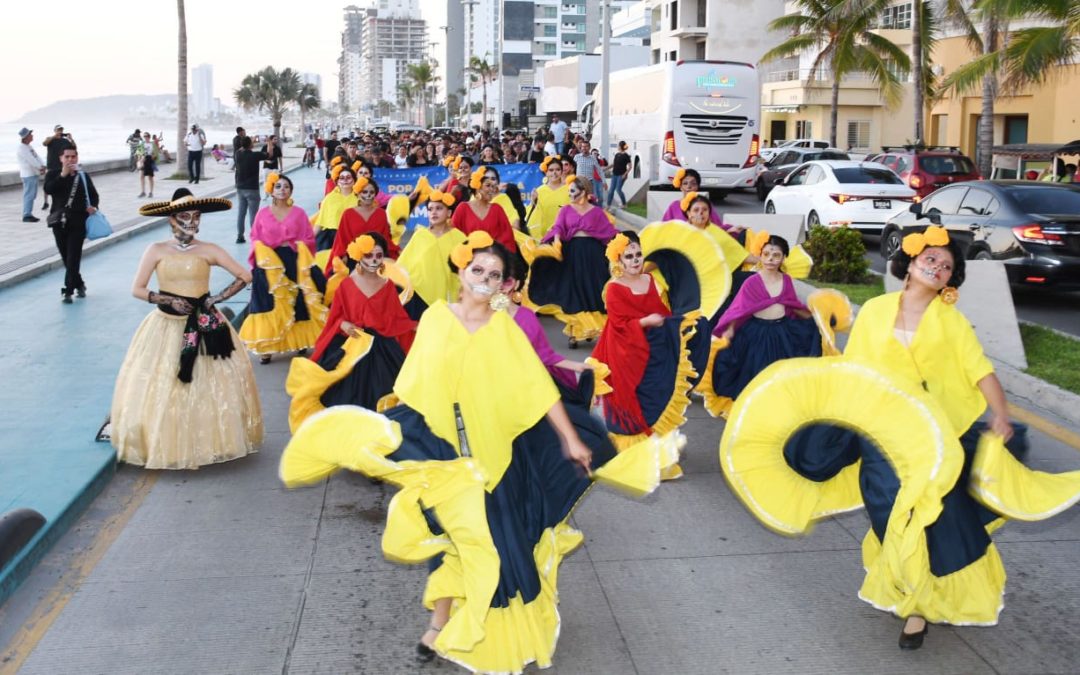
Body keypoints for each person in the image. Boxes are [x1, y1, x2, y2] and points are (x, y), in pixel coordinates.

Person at [278, 231, 678, 674]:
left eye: (495, 275)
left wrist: (569, 437)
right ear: (462, 273)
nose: (485, 279)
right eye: (478, 271)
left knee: (494, 540)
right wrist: (404, 435)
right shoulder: (435, 318)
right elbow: (415, 382)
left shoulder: (505, 326)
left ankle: (498, 629)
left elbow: (536, 387)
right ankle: (440, 621)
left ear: (505, 284)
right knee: (447, 534)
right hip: (444, 447)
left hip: (494, 450)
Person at [110, 189, 262, 469]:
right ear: (171, 219)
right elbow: (137, 289)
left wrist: (214, 299)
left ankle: (211, 441)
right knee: (166, 384)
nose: (192, 222)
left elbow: (245, 275)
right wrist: (168, 300)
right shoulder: (155, 250)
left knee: (211, 386)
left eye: (195, 216)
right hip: (164, 327)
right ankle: (168, 442)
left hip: (205, 325)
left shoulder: (210, 249)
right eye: (185, 216)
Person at [590, 231, 700, 476]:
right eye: (629, 256)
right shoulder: (614, 289)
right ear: (619, 261)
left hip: (653, 349)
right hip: (623, 350)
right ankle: (632, 457)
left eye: (638, 254)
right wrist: (645, 322)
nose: (635, 260)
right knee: (629, 402)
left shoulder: (651, 281)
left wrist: (680, 322)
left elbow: (663, 313)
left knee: (656, 395)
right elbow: (619, 324)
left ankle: (656, 452)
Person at [286, 232, 416, 429]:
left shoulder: (388, 286)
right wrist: (343, 324)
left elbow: (396, 319)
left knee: (384, 392)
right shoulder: (346, 284)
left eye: (378, 256)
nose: (374, 260)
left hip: (382, 349)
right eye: (368, 256)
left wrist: (418, 326)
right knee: (343, 395)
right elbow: (335, 317)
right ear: (359, 257)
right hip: (351, 346)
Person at [703, 235, 822, 417]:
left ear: (783, 258)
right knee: (756, 373)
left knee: (780, 374)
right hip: (756, 335)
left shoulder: (786, 280)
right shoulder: (752, 282)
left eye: (776, 255)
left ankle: (777, 410)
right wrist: (729, 330)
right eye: (766, 254)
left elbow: (792, 305)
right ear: (760, 255)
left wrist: (815, 318)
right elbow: (739, 309)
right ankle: (757, 412)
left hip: (782, 334)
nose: (770, 259)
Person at [239, 174, 325, 364]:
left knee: (298, 302)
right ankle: (266, 348)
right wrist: (263, 251)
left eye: (286, 186)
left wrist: (296, 245)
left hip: (293, 260)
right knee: (267, 304)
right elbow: (255, 237)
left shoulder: (299, 213)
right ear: (272, 190)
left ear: (291, 191)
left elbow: (309, 237)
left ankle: (300, 341)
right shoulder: (262, 214)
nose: (282, 190)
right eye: (278, 186)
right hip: (269, 264)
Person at [527, 177, 616, 347]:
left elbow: (608, 232)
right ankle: (575, 332)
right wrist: (556, 242)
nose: (570, 195)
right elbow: (559, 227)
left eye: (573, 191)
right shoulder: (566, 210)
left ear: (584, 192)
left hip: (593, 255)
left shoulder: (597, 212)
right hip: (572, 254)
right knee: (573, 293)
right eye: (569, 192)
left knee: (593, 291)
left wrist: (624, 244)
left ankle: (596, 330)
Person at [396, 189, 466, 319]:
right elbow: (403, 265)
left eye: (439, 208)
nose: (433, 212)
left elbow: (465, 268)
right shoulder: (420, 235)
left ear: (449, 213)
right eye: (430, 209)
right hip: (417, 295)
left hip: (447, 295)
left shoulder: (459, 238)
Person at [44, 147, 98, 304]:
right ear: (61, 158)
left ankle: (67, 290)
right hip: (58, 222)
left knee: (73, 256)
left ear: (77, 158)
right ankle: (79, 283)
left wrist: (93, 207)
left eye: (73, 156)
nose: (70, 160)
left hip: (78, 222)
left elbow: (94, 196)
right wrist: (63, 175)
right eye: (67, 157)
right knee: (65, 257)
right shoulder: (53, 174)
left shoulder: (83, 176)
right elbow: (49, 189)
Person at [328, 176, 398, 276]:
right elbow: (341, 240)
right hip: (353, 260)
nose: (368, 195)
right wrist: (343, 256)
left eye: (371, 192)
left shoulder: (381, 214)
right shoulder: (348, 214)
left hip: (377, 259)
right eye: (364, 192)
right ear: (357, 193)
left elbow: (385, 239)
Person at [451, 166, 516, 253]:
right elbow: (453, 234)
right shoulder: (463, 208)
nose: (491, 190)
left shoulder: (497, 209)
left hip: (493, 258)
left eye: (493, 187)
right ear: (477, 187)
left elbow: (507, 237)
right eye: (488, 186)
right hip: (468, 258)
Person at [312, 165, 360, 270]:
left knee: (351, 269)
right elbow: (320, 222)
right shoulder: (329, 199)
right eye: (342, 178)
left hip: (352, 239)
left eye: (348, 177)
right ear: (337, 181)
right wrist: (308, 239)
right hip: (331, 238)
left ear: (354, 180)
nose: (345, 180)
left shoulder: (359, 199)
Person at [661, 168, 737, 233]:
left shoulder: (705, 204)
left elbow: (717, 226)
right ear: (680, 187)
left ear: (697, 186)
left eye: (693, 183)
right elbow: (664, 228)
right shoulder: (674, 206)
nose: (689, 186)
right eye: (685, 183)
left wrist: (731, 229)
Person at [525, 155, 572, 239]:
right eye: (551, 170)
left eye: (557, 170)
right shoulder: (539, 191)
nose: (554, 173)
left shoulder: (569, 190)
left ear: (561, 172)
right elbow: (532, 215)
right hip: (545, 236)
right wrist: (533, 202)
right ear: (546, 172)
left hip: (564, 235)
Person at [233, 136, 270, 243]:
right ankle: (255, 237)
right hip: (252, 189)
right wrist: (269, 143)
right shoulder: (255, 155)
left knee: (241, 213)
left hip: (240, 188)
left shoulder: (237, 154)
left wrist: (248, 143)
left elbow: (241, 149)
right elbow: (270, 154)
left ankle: (240, 236)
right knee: (253, 214)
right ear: (251, 145)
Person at [17, 127, 45, 222]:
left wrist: (42, 165)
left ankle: (28, 213)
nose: (32, 135)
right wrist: (40, 167)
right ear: (26, 137)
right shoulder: (22, 148)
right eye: (30, 134)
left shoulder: (29, 147)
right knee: (29, 195)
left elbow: (37, 157)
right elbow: (31, 160)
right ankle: (26, 215)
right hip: (28, 175)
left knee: (32, 195)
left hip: (33, 174)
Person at [574, 138, 605, 208]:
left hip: (589, 183)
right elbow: (571, 168)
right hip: (579, 182)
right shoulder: (577, 157)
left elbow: (599, 170)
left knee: (591, 200)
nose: (584, 148)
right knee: (579, 200)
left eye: (586, 146)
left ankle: (596, 214)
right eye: (583, 146)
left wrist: (604, 181)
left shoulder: (593, 158)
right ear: (581, 147)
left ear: (589, 147)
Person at [607, 141, 631, 210]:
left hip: (621, 175)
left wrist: (625, 174)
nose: (617, 147)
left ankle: (624, 204)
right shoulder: (617, 154)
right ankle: (608, 205)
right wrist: (605, 168)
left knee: (618, 189)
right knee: (611, 190)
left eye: (618, 145)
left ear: (620, 146)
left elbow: (630, 166)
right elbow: (613, 164)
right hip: (614, 174)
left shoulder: (626, 155)